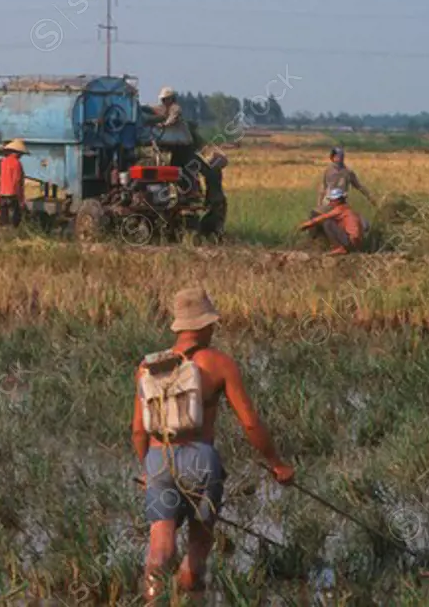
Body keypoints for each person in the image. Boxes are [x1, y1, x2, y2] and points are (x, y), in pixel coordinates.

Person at [132, 287, 295, 604]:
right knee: (198, 543)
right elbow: (249, 422)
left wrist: (146, 470)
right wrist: (276, 463)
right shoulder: (218, 363)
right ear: (204, 326)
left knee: (159, 546)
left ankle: (153, 599)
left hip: (157, 458)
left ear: (180, 327)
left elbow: (138, 430)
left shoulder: (147, 367)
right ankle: (190, 596)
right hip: (200, 460)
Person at [145, 87, 196, 193]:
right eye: (162, 100)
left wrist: (163, 125)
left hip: (185, 145)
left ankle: (191, 191)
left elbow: (173, 118)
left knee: (184, 169)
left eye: (165, 99)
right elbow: (154, 109)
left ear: (171, 99)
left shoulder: (175, 108)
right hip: (176, 145)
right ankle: (183, 192)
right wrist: (144, 108)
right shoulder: (164, 108)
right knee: (174, 168)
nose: (163, 102)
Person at [299, 188, 365, 255]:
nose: (330, 203)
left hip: (351, 241)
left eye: (332, 201)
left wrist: (305, 225)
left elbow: (322, 217)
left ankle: (339, 248)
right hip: (356, 243)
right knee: (334, 222)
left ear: (338, 201)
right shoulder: (348, 209)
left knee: (328, 223)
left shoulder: (339, 209)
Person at [315, 147, 376, 212]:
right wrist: (319, 204)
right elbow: (323, 187)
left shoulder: (348, 172)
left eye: (340, 156)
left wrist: (370, 197)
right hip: (328, 201)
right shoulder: (328, 170)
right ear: (333, 157)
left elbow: (359, 186)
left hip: (341, 202)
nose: (339, 158)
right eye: (337, 156)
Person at [198, 152, 228, 239]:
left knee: (214, 220)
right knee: (217, 219)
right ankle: (216, 235)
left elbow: (210, 187)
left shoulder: (213, 171)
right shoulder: (216, 171)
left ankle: (215, 235)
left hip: (215, 198)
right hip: (218, 198)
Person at [0, 139, 27, 228]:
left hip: (2, 193)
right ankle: (13, 233)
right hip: (12, 194)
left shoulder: (3, 162)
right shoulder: (17, 163)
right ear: (18, 152)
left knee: (3, 217)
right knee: (16, 218)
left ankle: (3, 233)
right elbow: (17, 181)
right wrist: (21, 198)